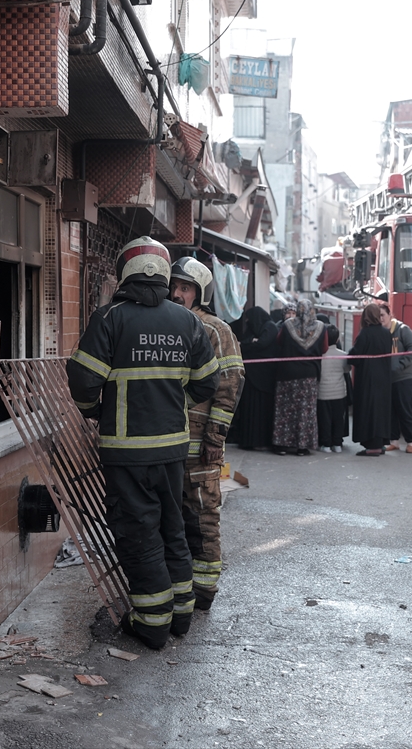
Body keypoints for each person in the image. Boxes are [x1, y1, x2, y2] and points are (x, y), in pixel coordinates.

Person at [66, 237, 220, 650]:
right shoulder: (188, 321)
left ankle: (153, 624)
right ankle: (181, 614)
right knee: (172, 527)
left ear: (125, 271)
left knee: (139, 533)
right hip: (173, 449)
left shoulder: (109, 318)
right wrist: (172, 398)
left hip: (127, 451)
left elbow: (82, 382)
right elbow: (209, 381)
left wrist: (95, 409)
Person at [168, 257, 243, 612]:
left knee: (203, 517)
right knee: (174, 519)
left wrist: (215, 438)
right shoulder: (166, 323)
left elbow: (230, 384)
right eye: (175, 286)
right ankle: (179, 587)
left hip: (201, 448)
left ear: (200, 293)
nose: (177, 293)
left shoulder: (216, 330)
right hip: (167, 443)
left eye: (185, 288)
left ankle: (204, 590)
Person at [272, 299, 327, 456]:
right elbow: (323, 348)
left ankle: (282, 445)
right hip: (309, 375)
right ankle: (302, 446)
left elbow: (279, 341)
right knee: (305, 411)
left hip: (286, 373)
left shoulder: (287, 325)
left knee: (285, 409)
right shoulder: (321, 327)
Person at [229, 306, 278, 450]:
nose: (248, 322)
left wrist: (249, 344)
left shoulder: (270, 327)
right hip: (251, 378)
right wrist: (251, 343)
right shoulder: (256, 329)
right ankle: (249, 441)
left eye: (250, 319)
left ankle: (261, 441)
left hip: (264, 378)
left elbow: (261, 344)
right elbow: (248, 344)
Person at [348, 303, 393, 456]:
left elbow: (356, 356)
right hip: (384, 378)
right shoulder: (387, 333)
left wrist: (349, 355)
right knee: (380, 410)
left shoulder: (365, 333)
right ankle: (380, 444)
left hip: (367, 378)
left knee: (368, 409)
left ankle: (372, 446)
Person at [380, 302, 412, 453]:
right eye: (378, 316)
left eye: (383, 315)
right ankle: (394, 441)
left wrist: (399, 366)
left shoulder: (403, 330)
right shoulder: (381, 332)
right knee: (391, 412)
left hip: (403, 378)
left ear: (390, 315)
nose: (381, 319)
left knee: (405, 410)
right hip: (387, 380)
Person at [316, 324, 348, 453]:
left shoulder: (319, 356)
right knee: (338, 419)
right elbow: (347, 370)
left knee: (325, 420)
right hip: (339, 393)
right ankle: (338, 444)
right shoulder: (343, 355)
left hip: (323, 393)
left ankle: (326, 444)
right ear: (337, 339)